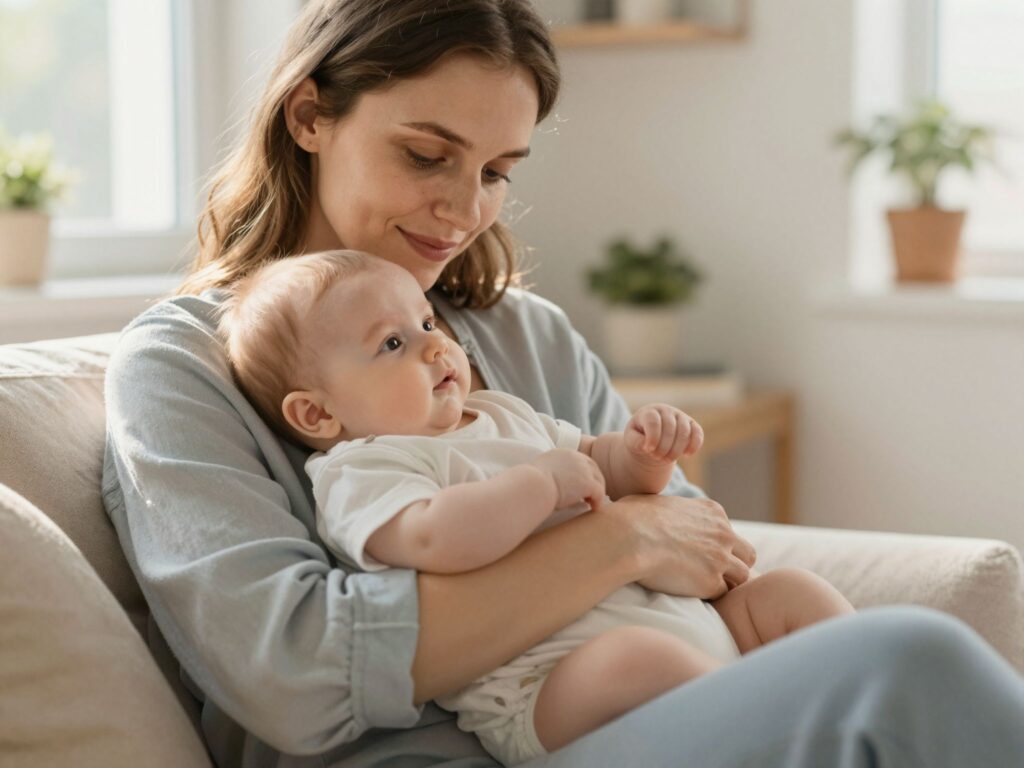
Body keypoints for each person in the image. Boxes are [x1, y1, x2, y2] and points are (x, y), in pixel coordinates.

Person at [101, 1, 1024, 766]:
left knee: (868, 658)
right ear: (309, 116)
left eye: (496, 172)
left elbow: (703, 556)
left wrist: (645, 519)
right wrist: (613, 541)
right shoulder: (182, 370)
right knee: (908, 656)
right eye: (427, 155)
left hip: (650, 711)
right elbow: (293, 676)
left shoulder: (522, 334)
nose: (465, 210)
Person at [215, 248, 857, 766]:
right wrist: (539, 487)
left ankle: (861, 715)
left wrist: (642, 453)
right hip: (549, 689)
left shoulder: (497, 414)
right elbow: (435, 539)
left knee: (791, 594)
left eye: (429, 325)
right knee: (637, 662)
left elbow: (602, 467)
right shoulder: (365, 469)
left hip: (692, 629)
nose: (434, 347)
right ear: (318, 412)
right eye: (391, 345)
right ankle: (781, 742)